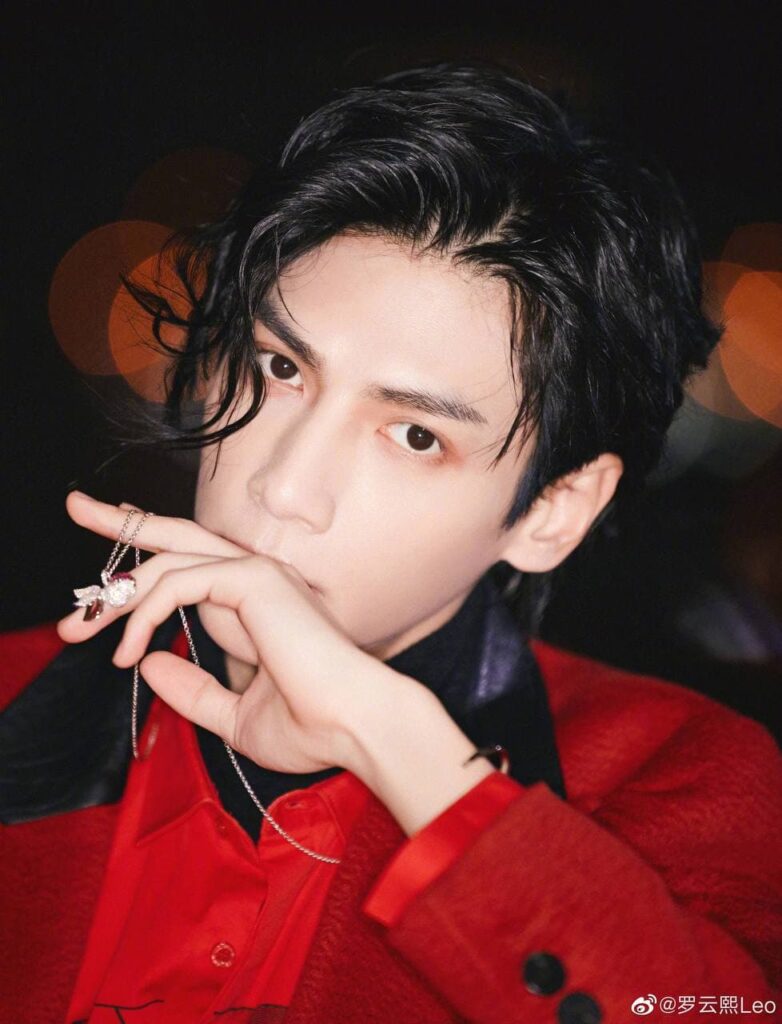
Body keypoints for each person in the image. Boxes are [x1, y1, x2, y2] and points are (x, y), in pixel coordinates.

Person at [1, 62, 780, 1024]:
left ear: (553, 511)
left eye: (414, 435)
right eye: (279, 367)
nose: (284, 487)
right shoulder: (15, 695)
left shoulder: (680, 775)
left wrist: (399, 749)